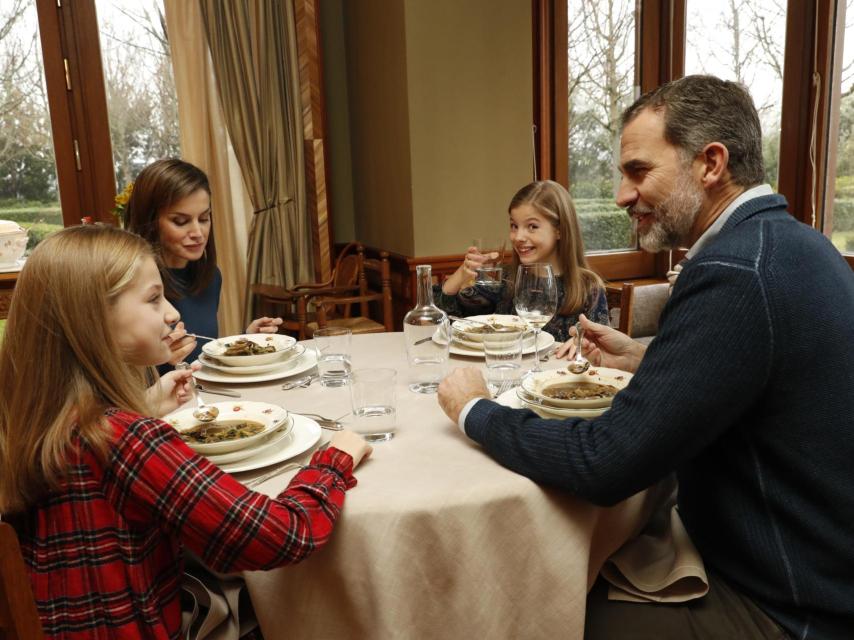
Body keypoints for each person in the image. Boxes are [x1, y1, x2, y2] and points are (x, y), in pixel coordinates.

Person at [438, 75, 854, 639]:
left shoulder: (733, 271)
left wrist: (475, 409)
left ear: (710, 164)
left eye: (638, 171)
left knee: (537, 613)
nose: (621, 195)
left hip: (789, 605)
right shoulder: (795, 243)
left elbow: (603, 464)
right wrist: (646, 362)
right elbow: (760, 382)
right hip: (813, 568)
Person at [0, 225, 372, 638]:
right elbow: (279, 535)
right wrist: (334, 461)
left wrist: (143, 407)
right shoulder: (126, 441)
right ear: (91, 318)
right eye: (153, 298)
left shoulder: (29, 419)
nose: (173, 314)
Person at [124, 158, 282, 366]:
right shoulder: (129, 285)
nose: (198, 233)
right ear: (150, 222)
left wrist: (246, 341)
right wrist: (161, 361)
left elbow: (201, 354)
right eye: (181, 221)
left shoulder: (211, 278)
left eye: (204, 218)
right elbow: (118, 376)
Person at [434, 180, 609, 342]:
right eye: (514, 226)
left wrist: (584, 346)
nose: (518, 237)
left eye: (532, 226)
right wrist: (463, 272)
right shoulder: (506, 279)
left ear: (560, 230)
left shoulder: (589, 288)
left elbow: (599, 348)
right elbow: (446, 317)